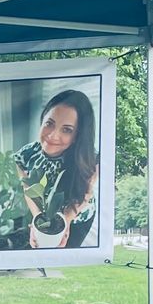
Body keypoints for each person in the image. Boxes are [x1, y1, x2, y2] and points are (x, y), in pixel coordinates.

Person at [19, 88, 99, 248]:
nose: (53, 135)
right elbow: (28, 188)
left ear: (78, 135)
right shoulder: (25, 154)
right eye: (50, 123)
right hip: (42, 214)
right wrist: (37, 222)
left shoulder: (92, 158)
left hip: (77, 217)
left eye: (67, 130)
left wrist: (65, 223)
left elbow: (86, 194)